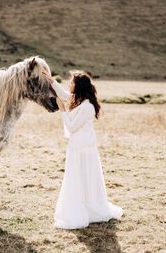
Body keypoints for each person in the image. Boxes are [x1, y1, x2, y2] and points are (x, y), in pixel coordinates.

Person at [42, 69, 123, 230]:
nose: (69, 84)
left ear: (78, 86)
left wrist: (63, 110)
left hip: (84, 150)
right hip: (76, 148)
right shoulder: (78, 100)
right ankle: (83, 206)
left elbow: (72, 127)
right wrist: (51, 80)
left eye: (71, 82)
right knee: (77, 179)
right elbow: (64, 94)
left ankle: (89, 208)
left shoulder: (87, 107)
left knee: (84, 179)